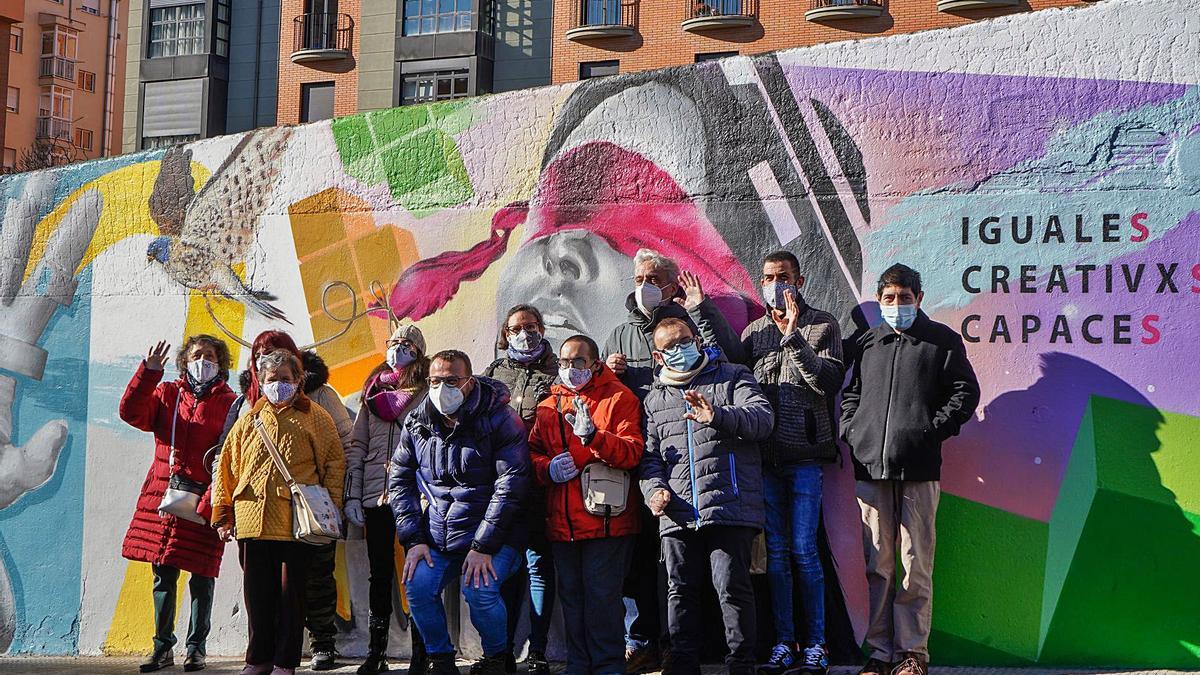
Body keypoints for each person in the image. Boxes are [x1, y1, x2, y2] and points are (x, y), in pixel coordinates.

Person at [604, 248, 744, 672]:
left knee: (704, 572)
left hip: (694, 456)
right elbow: (606, 394)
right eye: (637, 279)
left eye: (652, 278)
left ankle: (699, 649)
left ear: (670, 283)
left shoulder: (688, 320)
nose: (643, 286)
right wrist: (611, 372)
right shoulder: (620, 333)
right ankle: (645, 641)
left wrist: (702, 311)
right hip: (645, 459)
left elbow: (731, 356)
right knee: (644, 563)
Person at [840, 264, 980, 675]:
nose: (896, 305)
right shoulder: (868, 342)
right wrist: (853, 431)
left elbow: (965, 392)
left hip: (919, 468)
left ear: (918, 298)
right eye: (889, 298)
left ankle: (912, 653)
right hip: (870, 468)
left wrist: (930, 432)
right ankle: (880, 652)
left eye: (904, 297)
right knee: (878, 564)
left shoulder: (941, 340)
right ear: (880, 300)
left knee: (915, 562)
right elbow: (852, 394)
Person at [639, 318, 773, 675]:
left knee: (732, 588)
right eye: (670, 347)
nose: (679, 350)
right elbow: (650, 459)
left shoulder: (733, 376)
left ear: (697, 339)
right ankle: (682, 664)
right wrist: (654, 491)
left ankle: (742, 665)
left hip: (729, 505)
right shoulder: (654, 399)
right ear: (657, 355)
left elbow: (763, 419)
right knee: (679, 590)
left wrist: (718, 415)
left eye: (685, 341)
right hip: (677, 512)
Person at [214, 331, 353, 672]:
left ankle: (285, 662)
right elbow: (226, 464)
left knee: (294, 597)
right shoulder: (249, 417)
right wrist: (223, 512)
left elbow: (335, 462)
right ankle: (258, 659)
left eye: (286, 379)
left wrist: (332, 508)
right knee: (257, 598)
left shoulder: (316, 416)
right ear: (260, 381)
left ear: (299, 379)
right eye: (272, 379)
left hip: (296, 524)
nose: (279, 385)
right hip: (252, 520)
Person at [387, 350, 531, 675]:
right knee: (418, 585)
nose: (441, 388)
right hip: (439, 536)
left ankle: (496, 660)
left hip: (496, 537)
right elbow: (400, 479)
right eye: (435, 381)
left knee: (479, 590)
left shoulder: (500, 419)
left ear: (469, 381)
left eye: (451, 380)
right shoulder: (418, 421)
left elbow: (511, 485)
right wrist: (414, 540)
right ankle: (440, 660)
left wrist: (483, 547)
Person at [740, 251, 844, 675]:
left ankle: (816, 645)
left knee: (804, 551)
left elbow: (828, 381)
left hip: (805, 459)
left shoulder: (823, 324)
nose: (775, 283)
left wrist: (794, 336)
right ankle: (785, 642)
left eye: (783, 276)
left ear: (800, 279)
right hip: (765, 460)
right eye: (767, 277)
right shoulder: (752, 332)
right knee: (777, 555)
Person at [119, 335, 237, 673]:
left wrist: (219, 501)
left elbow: (229, 455)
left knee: (202, 577)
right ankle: (162, 647)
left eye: (211, 356)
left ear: (221, 363)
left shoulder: (231, 403)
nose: (204, 361)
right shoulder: (167, 393)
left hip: (204, 501)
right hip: (163, 497)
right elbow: (132, 413)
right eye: (198, 354)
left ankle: (196, 648)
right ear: (185, 360)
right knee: (163, 575)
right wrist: (148, 373)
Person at [528, 334, 643, 675]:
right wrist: (547, 468)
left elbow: (632, 451)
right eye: (563, 363)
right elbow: (532, 454)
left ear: (595, 364)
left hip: (606, 521)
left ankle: (608, 666)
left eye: (578, 362)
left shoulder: (619, 397)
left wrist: (594, 437)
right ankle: (578, 664)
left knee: (602, 599)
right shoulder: (549, 405)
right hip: (563, 524)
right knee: (572, 598)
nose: (569, 369)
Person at [344, 325, 430, 675]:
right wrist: (352, 494)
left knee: (419, 575)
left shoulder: (427, 391)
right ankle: (376, 652)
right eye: (393, 342)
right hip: (375, 497)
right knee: (379, 574)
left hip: (415, 497)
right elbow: (358, 446)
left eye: (407, 344)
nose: (398, 349)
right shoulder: (371, 395)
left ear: (419, 352)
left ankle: (423, 651)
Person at [483, 305, 558, 675]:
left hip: (544, 484)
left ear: (542, 328)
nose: (524, 333)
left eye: (531, 326)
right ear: (505, 334)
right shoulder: (494, 374)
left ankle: (539, 651)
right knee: (507, 571)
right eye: (516, 328)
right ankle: (504, 651)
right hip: (503, 486)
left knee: (539, 566)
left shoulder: (559, 370)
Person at [300, 349, 355, 671]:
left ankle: (323, 644)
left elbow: (345, 443)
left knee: (319, 575)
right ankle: (282, 643)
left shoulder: (322, 396)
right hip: (273, 507)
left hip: (317, 502)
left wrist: (338, 498)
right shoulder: (258, 397)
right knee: (279, 578)